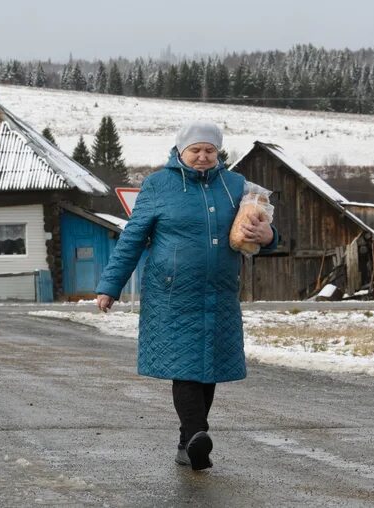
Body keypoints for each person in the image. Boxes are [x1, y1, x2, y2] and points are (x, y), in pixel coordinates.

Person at [95, 120, 278, 471]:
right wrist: (109, 286)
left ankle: (189, 441)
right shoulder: (158, 185)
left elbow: (256, 236)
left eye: (210, 150)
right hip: (171, 294)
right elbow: (133, 238)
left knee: (208, 366)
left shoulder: (236, 186)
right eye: (196, 150)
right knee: (186, 364)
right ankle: (197, 433)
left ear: (218, 153)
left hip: (219, 293)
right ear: (181, 151)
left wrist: (269, 236)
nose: (203, 156)